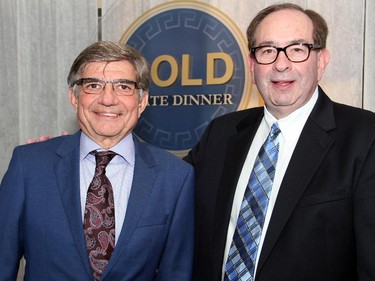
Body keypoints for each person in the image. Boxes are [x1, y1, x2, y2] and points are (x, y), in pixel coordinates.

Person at [184, 3, 375, 281]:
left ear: (321, 61)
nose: (281, 64)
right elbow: (168, 194)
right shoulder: (221, 133)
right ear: (252, 66)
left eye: (297, 49)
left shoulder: (365, 137)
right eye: (267, 50)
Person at [0, 41, 195, 280]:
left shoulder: (175, 177)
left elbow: (176, 273)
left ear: (142, 101)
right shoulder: (29, 167)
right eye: (94, 85)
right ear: (74, 96)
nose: (108, 99)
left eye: (123, 86)